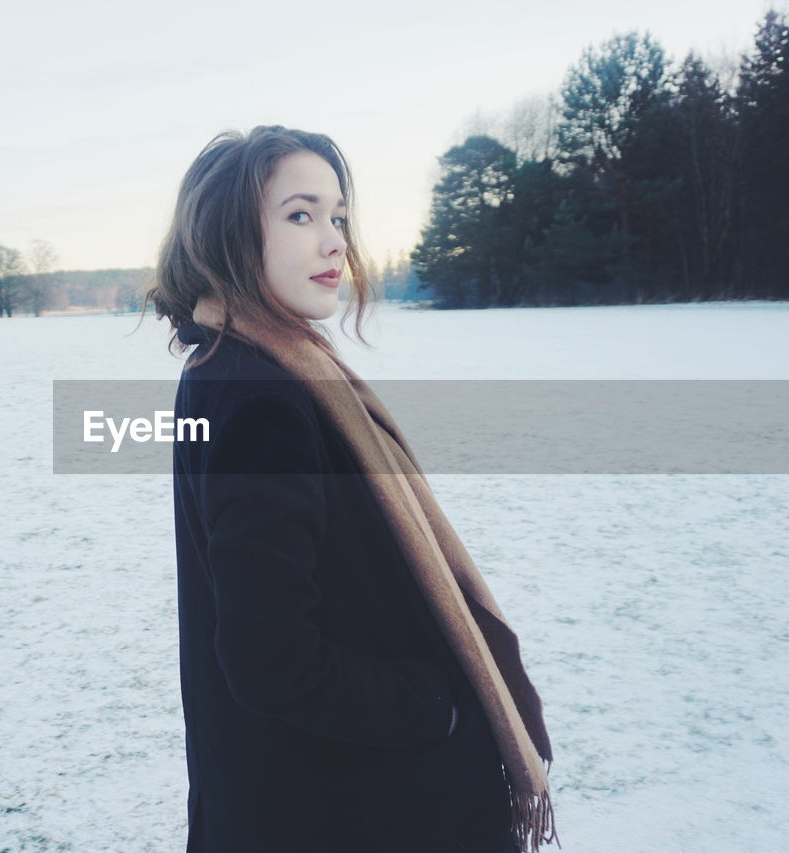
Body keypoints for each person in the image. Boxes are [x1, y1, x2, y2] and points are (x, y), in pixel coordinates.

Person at [143, 126, 557, 853]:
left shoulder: (234, 366)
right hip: (350, 807)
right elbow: (270, 659)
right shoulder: (264, 397)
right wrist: (436, 706)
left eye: (337, 216)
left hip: (294, 796)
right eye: (300, 215)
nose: (335, 241)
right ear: (228, 234)